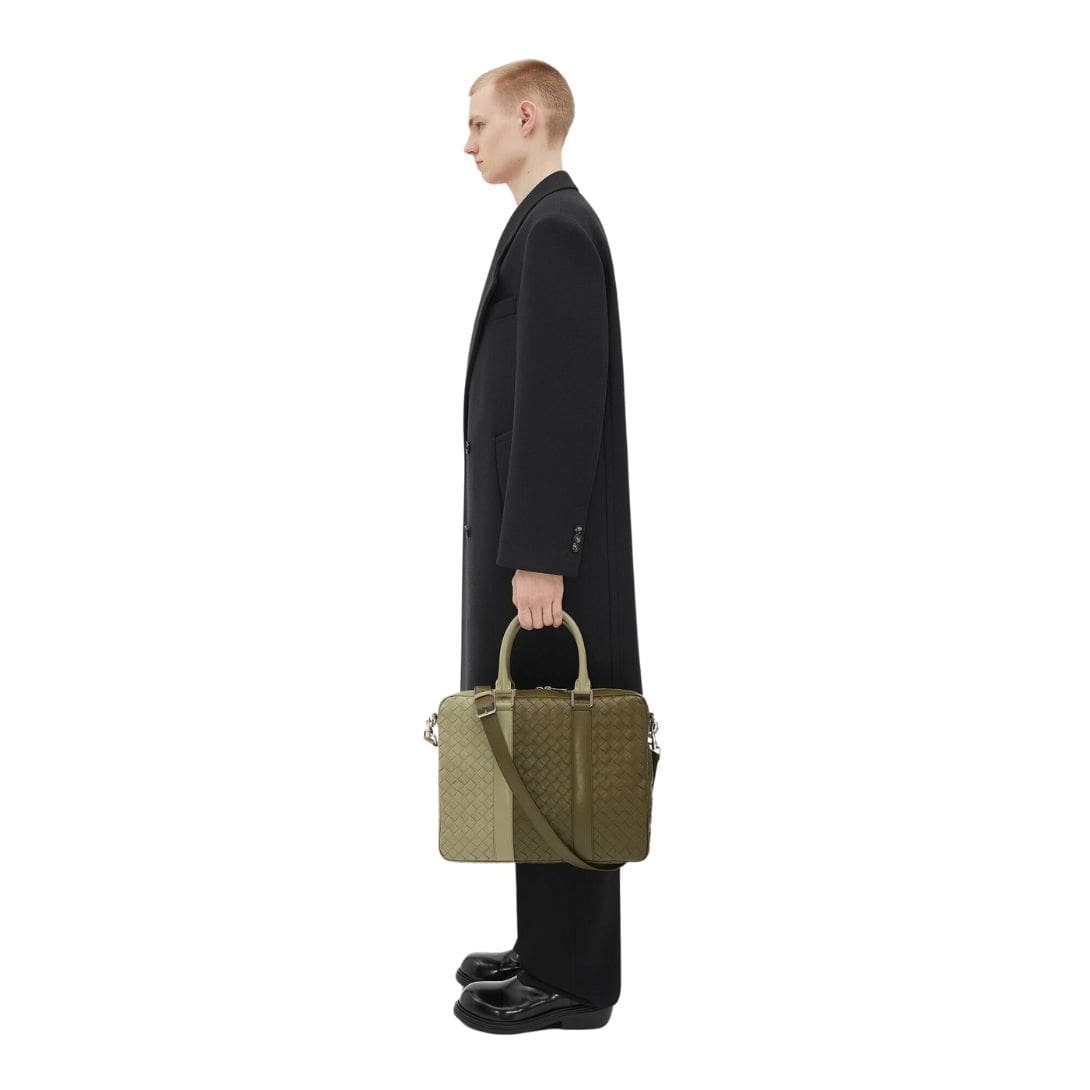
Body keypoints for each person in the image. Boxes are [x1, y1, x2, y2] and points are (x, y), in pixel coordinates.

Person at [454, 59, 643, 1034]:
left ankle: (575, 980)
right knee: (539, 743)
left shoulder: (558, 228)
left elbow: (562, 407)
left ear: (527, 116)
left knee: (570, 749)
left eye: (479, 123)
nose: (468, 142)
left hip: (545, 562)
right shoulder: (540, 224)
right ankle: (547, 946)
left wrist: (541, 555)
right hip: (533, 551)